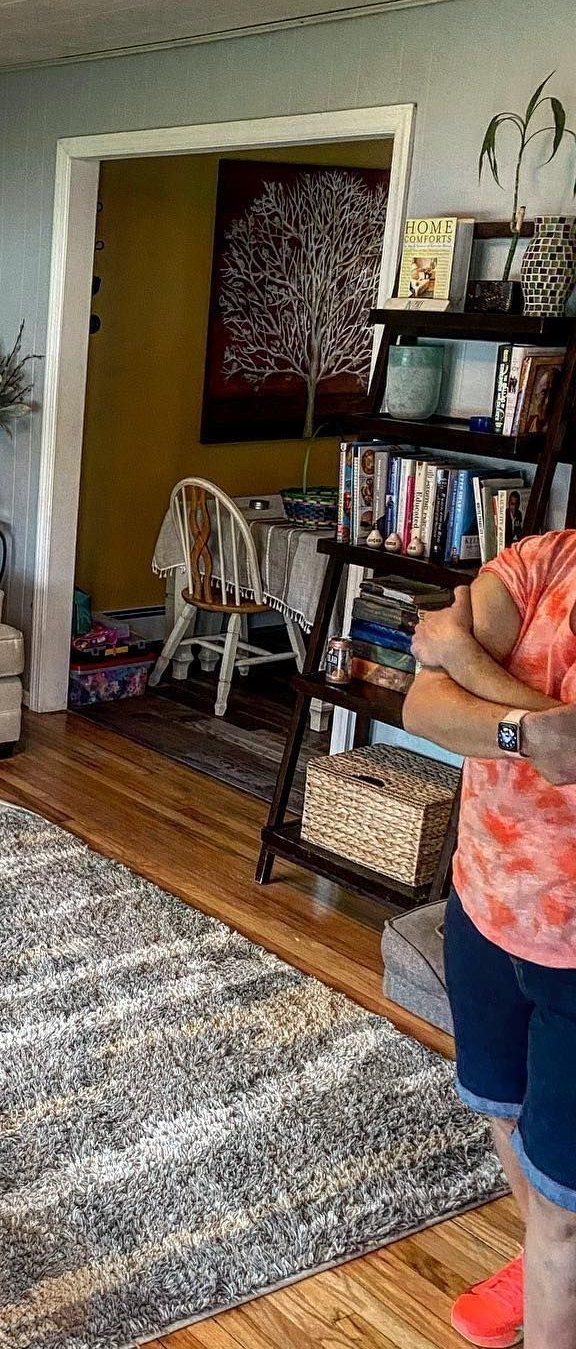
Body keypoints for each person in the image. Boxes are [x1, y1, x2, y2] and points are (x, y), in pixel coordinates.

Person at [404, 530, 576, 1349]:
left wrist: (466, 660)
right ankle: (544, 1253)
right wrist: (522, 728)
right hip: (486, 906)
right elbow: (422, 707)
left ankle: (556, 1257)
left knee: (565, 1208)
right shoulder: (546, 560)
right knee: (503, 1113)